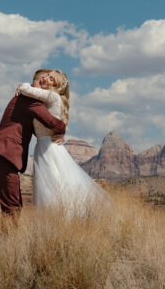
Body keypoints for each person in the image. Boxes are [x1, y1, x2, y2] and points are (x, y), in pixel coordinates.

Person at [16, 69, 107, 216]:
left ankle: (58, 218)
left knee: (51, 185)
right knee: (51, 184)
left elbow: (26, 89)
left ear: (56, 85)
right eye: (46, 76)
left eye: (51, 78)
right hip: (44, 146)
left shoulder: (52, 96)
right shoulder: (49, 100)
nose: (45, 78)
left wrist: (22, 85)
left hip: (47, 148)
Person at [0, 69, 67, 216]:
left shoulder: (27, 99)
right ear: (34, 83)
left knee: (12, 204)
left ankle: (8, 237)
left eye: (48, 79)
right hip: (3, 152)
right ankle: (9, 238)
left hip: (2, 153)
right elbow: (52, 122)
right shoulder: (29, 100)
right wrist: (62, 130)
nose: (43, 82)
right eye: (41, 80)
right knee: (12, 205)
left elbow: (40, 128)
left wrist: (57, 134)